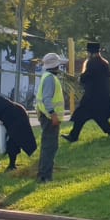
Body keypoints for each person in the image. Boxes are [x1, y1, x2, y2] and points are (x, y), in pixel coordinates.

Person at [65, 41, 110, 142]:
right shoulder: (104, 63)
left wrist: (80, 78)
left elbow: (85, 78)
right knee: (99, 118)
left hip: (91, 97)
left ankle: (73, 136)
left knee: (81, 116)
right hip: (103, 97)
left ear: (90, 53)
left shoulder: (91, 63)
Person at [34, 52, 65, 184]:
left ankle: (43, 174)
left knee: (47, 146)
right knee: (50, 146)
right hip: (49, 117)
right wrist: (53, 115)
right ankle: (45, 176)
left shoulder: (47, 77)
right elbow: (47, 99)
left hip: (46, 116)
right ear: (56, 66)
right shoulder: (50, 79)